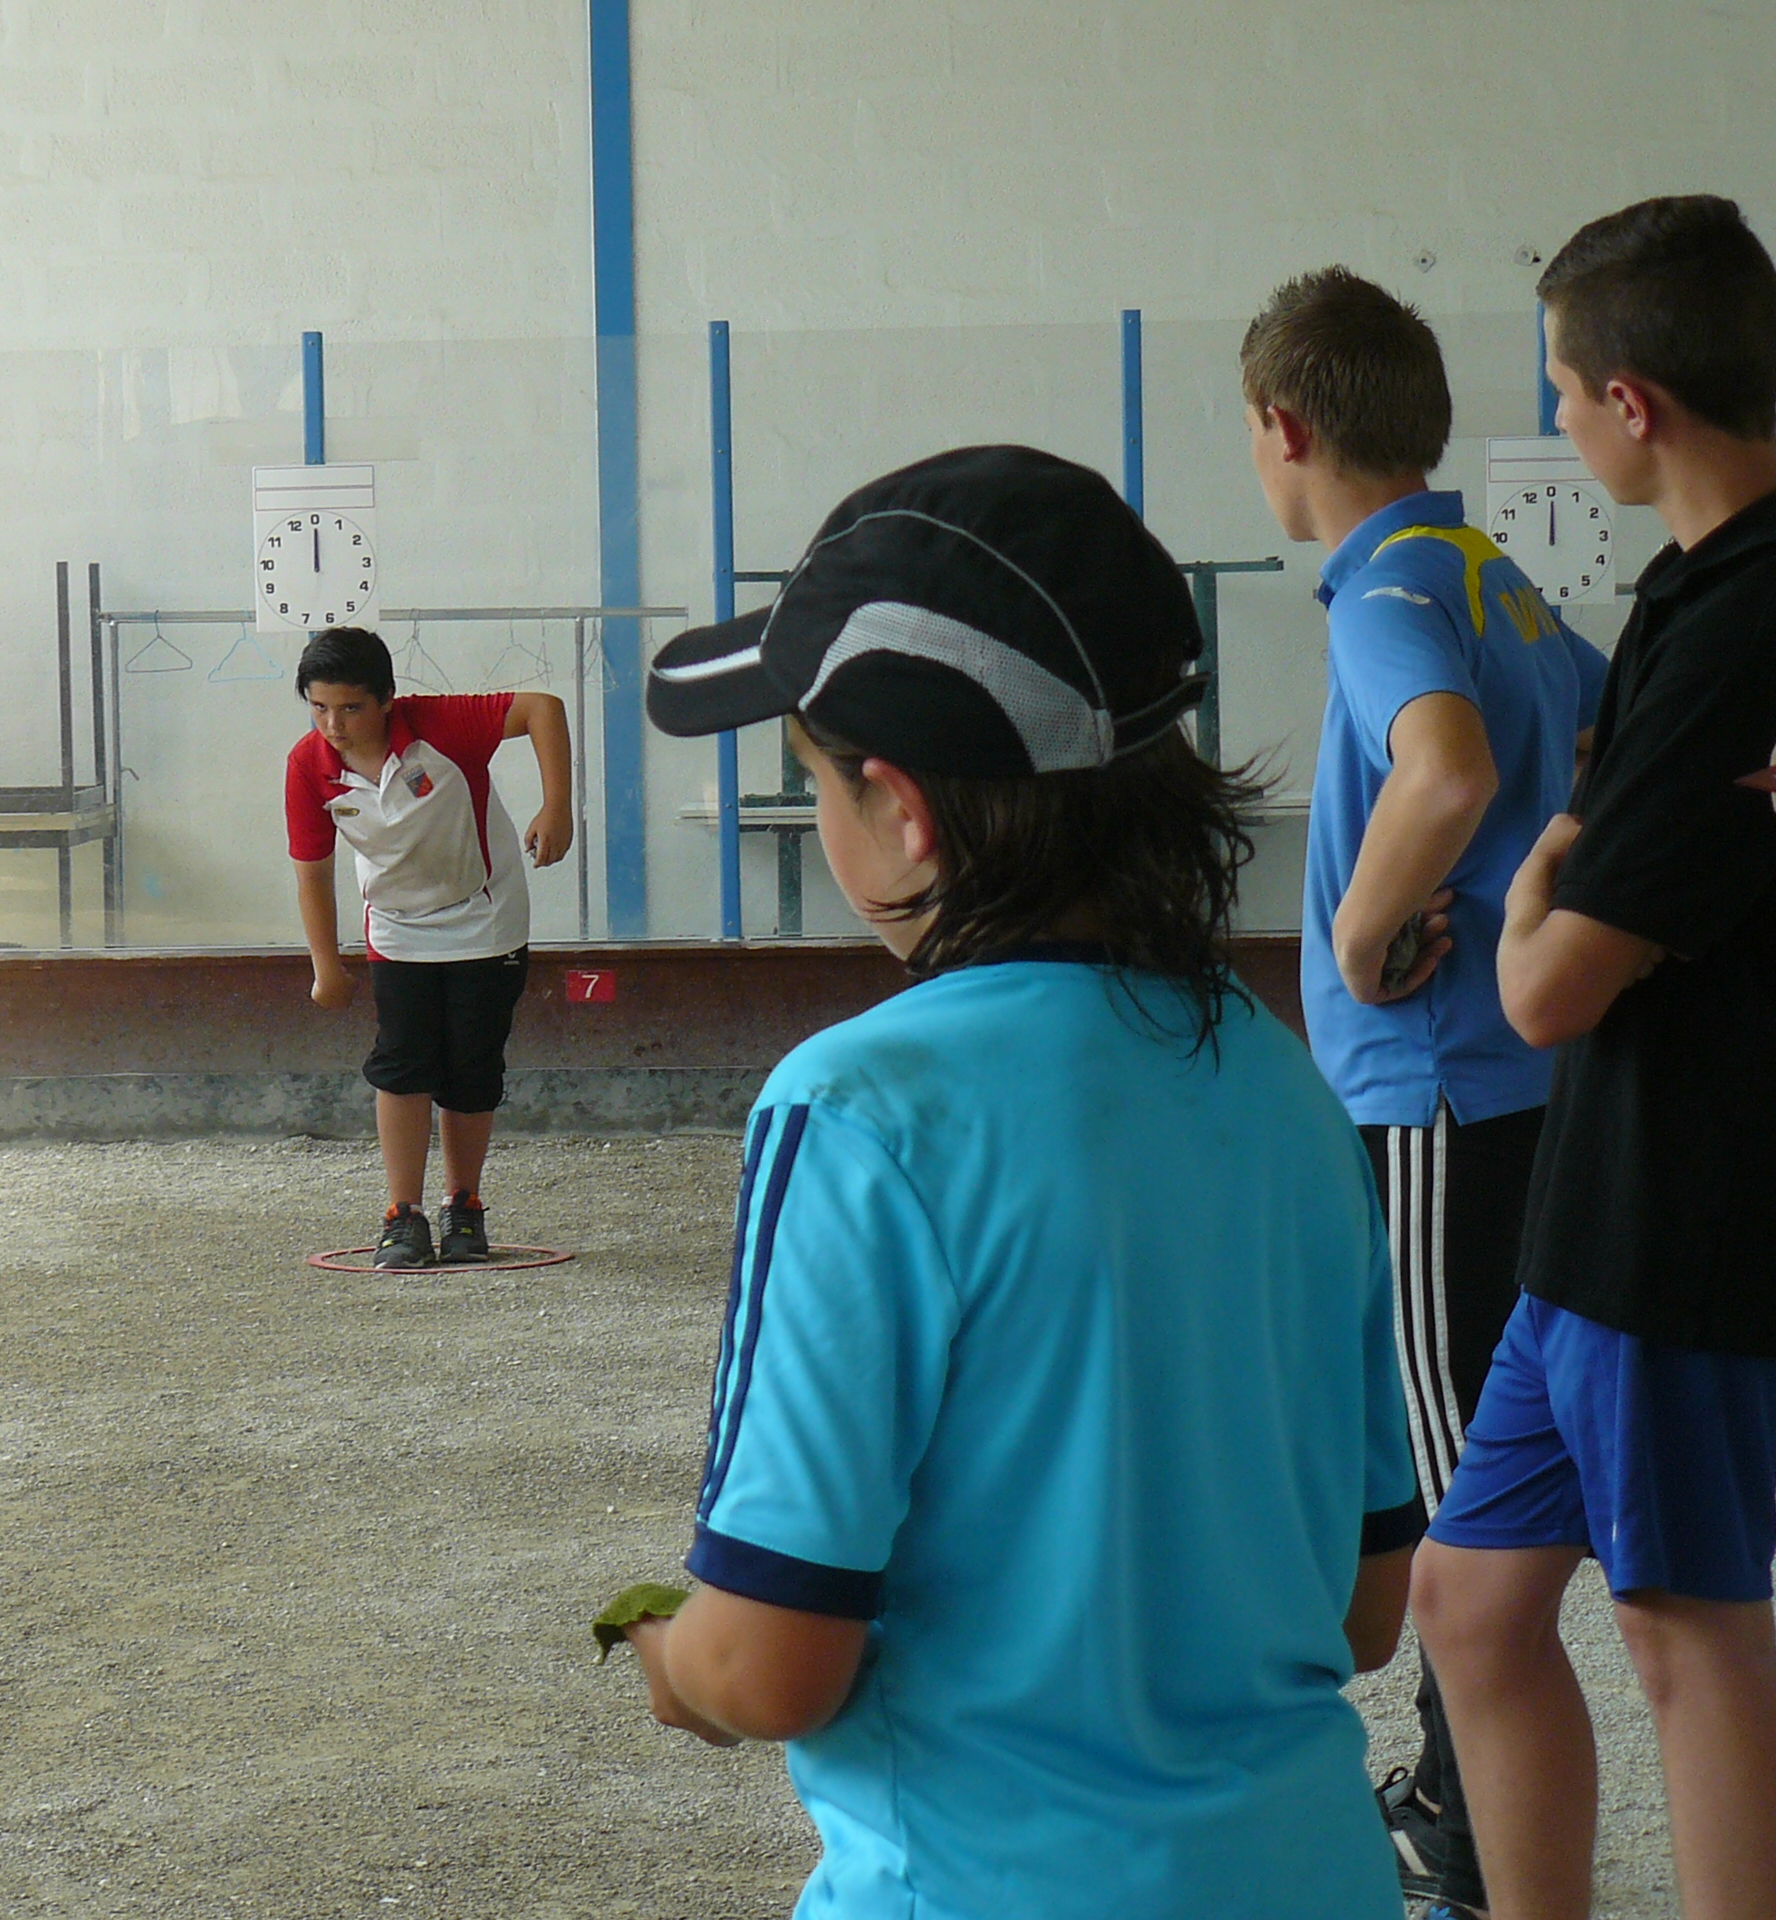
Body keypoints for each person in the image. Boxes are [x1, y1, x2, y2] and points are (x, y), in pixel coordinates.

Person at [618, 445, 1421, 1920]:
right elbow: (1368, 1610)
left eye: (820, 782)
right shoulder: (1285, 1084)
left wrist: (672, 1659)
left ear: (904, 810)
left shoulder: (857, 1109)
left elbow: (773, 1662)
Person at [1411, 194, 1776, 1920]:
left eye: (1561, 390)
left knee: (1684, 1633)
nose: (1554, 419)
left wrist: (1532, 890)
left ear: (1633, 401)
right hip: (1589, 1218)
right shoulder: (1686, 595)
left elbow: (1549, 987)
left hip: (1681, 1216)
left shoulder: (1737, 632)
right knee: (1470, 1606)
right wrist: (1559, 871)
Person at [1240, 266, 1610, 1917]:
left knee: (1463, 1486)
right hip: (1516, 1078)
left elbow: (1446, 768)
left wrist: (1372, 920)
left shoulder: (1387, 583)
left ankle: (1464, 1823)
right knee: (1477, 1452)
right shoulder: (1493, 570)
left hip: (1436, 1089)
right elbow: (1598, 766)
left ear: (1285, 427)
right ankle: (1454, 1779)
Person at [284, 626, 572, 1269]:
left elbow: (542, 709)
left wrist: (558, 807)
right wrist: (325, 966)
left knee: (471, 1065)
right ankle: (402, 1215)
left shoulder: (441, 727)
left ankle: (463, 1206)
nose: (334, 723)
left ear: (387, 698)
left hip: (486, 919)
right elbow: (311, 869)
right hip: (396, 930)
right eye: (319, 706)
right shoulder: (309, 766)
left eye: (351, 707)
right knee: (403, 1061)